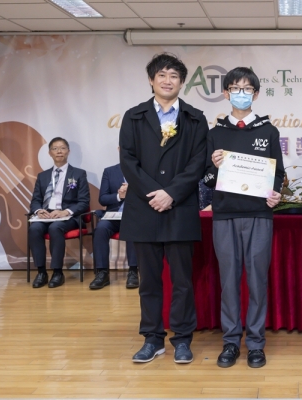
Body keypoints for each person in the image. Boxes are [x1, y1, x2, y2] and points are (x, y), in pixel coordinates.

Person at [119, 53, 208, 364]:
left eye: (174, 76)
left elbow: (198, 162)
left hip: (179, 208)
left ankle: (182, 339)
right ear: (151, 80)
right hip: (143, 210)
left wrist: (171, 193)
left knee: (182, 281)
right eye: (162, 75)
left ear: (182, 82)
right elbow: (128, 161)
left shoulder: (195, 118)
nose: (167, 81)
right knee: (149, 281)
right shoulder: (133, 116)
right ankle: (152, 338)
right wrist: (153, 194)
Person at [204, 67, 284, 369]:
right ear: (226, 93)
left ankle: (255, 343)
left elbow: (278, 173)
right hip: (224, 215)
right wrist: (214, 166)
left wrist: (275, 193)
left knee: (257, 280)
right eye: (235, 88)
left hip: (259, 215)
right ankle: (230, 341)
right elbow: (207, 179)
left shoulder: (268, 131)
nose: (241, 93)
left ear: (256, 94)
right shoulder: (215, 133)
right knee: (228, 281)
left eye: (247, 89)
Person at [28, 137, 90, 288]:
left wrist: (65, 212)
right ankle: (41, 272)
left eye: (62, 148)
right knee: (34, 229)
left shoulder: (79, 174)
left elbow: (84, 202)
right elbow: (35, 200)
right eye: (55, 149)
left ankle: (57, 272)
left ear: (68, 151)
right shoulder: (42, 176)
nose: (59, 151)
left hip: (68, 216)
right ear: (50, 153)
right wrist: (39, 210)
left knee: (55, 228)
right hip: (47, 215)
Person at [89, 155, 139, 290]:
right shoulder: (110, 171)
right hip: (114, 216)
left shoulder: (142, 170)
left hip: (134, 216)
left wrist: (132, 191)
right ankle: (102, 273)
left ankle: (133, 271)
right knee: (101, 228)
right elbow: (103, 199)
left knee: (133, 227)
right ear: (119, 150)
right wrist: (119, 196)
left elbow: (150, 194)